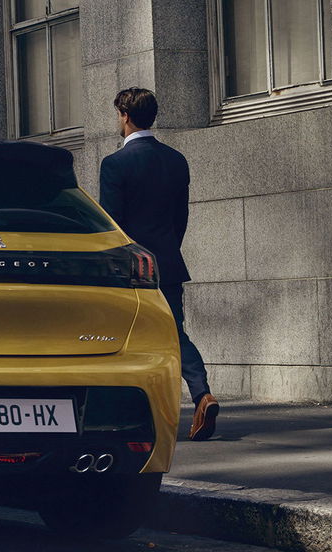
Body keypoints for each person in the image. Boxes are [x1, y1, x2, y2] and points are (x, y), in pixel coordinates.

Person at [99, 87, 218, 441]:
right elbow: (180, 218)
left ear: (124, 115)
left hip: (130, 268)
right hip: (167, 261)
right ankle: (201, 393)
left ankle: (125, 413)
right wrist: (164, 250)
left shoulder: (115, 164)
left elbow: (112, 225)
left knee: (120, 338)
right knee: (172, 330)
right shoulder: (176, 160)